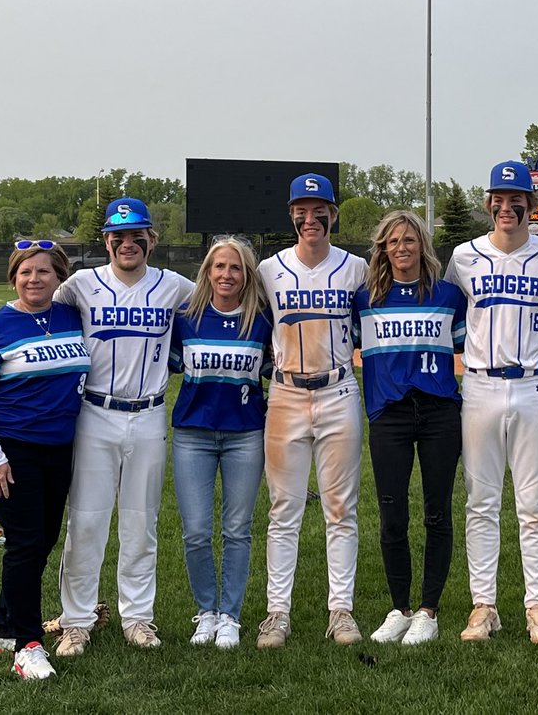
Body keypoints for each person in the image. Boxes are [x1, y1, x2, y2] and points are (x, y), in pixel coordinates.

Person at [50, 198, 195, 655]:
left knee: (140, 522)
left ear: (151, 240)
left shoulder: (175, 286)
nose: (127, 244)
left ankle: (138, 618)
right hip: (95, 412)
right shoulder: (81, 284)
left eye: (137, 236)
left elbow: (226, 301)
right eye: (118, 237)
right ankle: (77, 620)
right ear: (106, 242)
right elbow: (32, 310)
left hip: (151, 413)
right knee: (87, 522)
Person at [444, 160, 538, 644]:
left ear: (531, 205)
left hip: (533, 386)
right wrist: (468, 342)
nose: (507, 206)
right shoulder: (465, 255)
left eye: (516, 198)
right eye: (498, 199)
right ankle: (484, 606)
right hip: (479, 385)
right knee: (481, 502)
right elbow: (449, 311)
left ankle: (536, 605)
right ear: (489, 205)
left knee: (534, 505)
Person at [0, 240, 91, 680]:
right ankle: (28, 644)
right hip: (12, 449)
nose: (34, 279)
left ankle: (2, 629)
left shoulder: (70, 315)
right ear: (13, 277)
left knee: (41, 539)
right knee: (24, 542)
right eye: (25, 272)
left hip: (60, 446)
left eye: (43, 272)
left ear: (59, 277)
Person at [255, 173, 369, 648]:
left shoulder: (356, 267)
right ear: (291, 215)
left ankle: (340, 610)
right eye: (301, 210)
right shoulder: (268, 269)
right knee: (284, 509)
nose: (310, 218)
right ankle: (276, 614)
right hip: (285, 395)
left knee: (341, 509)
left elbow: (370, 324)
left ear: (333, 214)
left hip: (339, 392)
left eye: (318, 208)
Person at [353, 211, 468, 645]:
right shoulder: (366, 298)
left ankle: (428, 610)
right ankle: (399, 607)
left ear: (423, 244)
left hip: (439, 411)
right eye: (393, 241)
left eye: (410, 240)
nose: (402, 248)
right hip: (390, 413)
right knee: (391, 513)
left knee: (437, 511)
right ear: (382, 248)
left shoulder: (448, 296)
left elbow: (467, 341)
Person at [169, 235, 272, 649]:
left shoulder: (261, 320)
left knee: (237, 529)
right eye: (219, 267)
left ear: (247, 275)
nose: (227, 275)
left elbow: (275, 371)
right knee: (195, 531)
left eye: (236, 268)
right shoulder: (186, 318)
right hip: (192, 434)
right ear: (207, 272)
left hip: (245, 434)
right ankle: (206, 611)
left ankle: (230, 615)